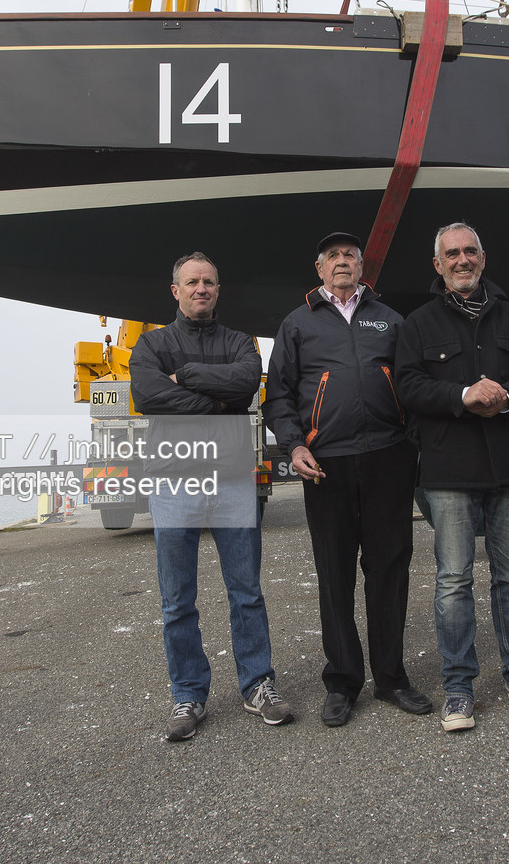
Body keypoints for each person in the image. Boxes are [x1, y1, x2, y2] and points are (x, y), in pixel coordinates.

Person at [395, 222, 509, 731]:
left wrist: (507, 397)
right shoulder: (419, 324)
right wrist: (463, 397)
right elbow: (407, 385)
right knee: (453, 581)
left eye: (470, 252)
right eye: (452, 253)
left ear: (484, 258)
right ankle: (458, 687)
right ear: (438, 264)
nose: (462, 260)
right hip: (449, 471)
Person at [265, 231, 431, 727]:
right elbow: (278, 395)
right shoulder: (297, 324)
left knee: (390, 571)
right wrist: (295, 445)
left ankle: (392, 678)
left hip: (387, 458)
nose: (342, 262)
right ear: (319, 268)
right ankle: (342, 682)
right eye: (333, 256)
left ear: (362, 267)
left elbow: (413, 382)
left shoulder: (390, 319)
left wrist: (412, 442)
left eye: (351, 256)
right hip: (327, 464)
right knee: (334, 574)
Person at [130, 251, 294, 741]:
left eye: (209, 282)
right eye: (192, 282)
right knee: (177, 599)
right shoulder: (150, 343)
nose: (201, 289)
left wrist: (187, 378)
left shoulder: (242, 342)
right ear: (175, 291)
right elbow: (148, 396)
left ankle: (257, 685)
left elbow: (246, 386)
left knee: (246, 591)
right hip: (173, 481)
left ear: (218, 291)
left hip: (233, 481)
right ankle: (188, 693)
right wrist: (216, 398)